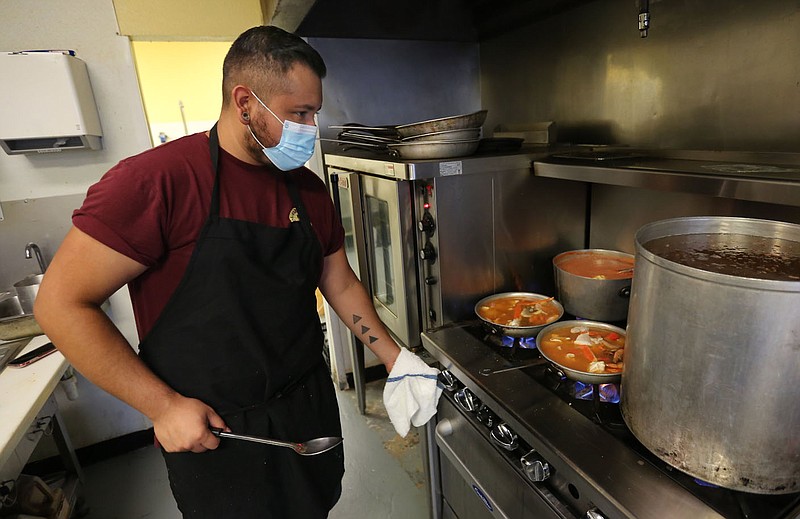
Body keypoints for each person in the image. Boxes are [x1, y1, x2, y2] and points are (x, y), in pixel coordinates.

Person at [35, 26, 403, 518]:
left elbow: (337, 280)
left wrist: (397, 360)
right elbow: (60, 304)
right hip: (214, 428)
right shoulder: (156, 182)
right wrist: (162, 407)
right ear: (245, 101)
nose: (311, 129)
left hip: (306, 405)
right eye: (299, 114)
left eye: (314, 113)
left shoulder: (308, 190)